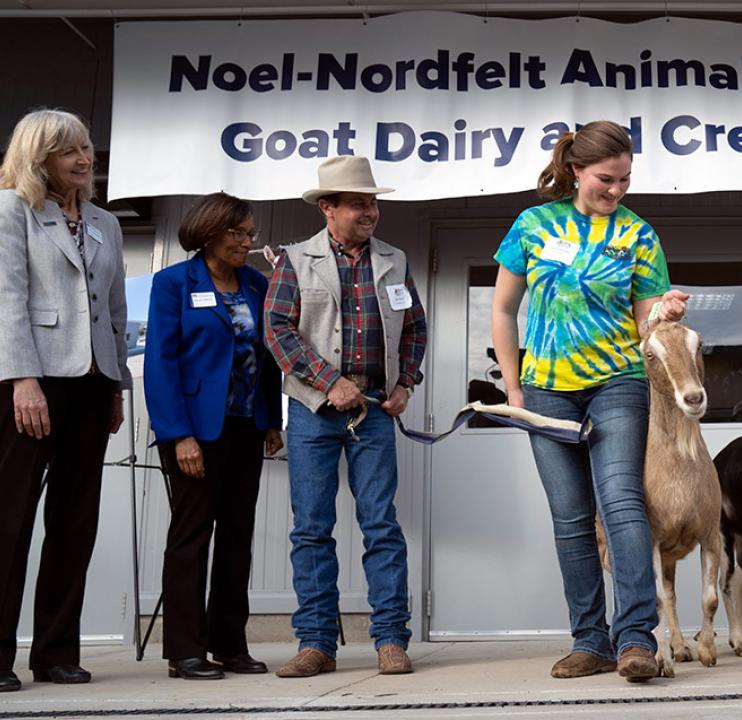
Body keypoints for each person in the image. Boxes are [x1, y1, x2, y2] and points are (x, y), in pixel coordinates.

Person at [491, 120, 689, 683]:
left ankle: (635, 640)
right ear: (577, 171)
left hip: (617, 381)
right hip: (547, 387)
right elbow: (504, 310)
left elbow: (644, 322)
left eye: (626, 180)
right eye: (607, 179)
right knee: (571, 517)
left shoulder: (639, 235)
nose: (617, 190)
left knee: (622, 502)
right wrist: (513, 387)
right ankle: (590, 640)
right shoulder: (533, 225)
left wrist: (664, 314)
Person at [265, 156, 427, 676]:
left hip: (375, 410)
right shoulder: (295, 259)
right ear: (328, 208)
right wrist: (327, 380)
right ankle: (316, 643)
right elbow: (278, 331)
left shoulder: (394, 260)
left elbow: (416, 329)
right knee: (311, 527)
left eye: (373, 202)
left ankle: (390, 640)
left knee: (381, 523)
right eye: (359, 203)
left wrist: (406, 383)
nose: (370, 211)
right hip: (313, 410)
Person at [0, 109, 129, 692]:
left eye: (87, 148)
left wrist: (117, 383)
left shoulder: (105, 221)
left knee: (75, 524)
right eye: (70, 150)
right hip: (32, 383)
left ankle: (55, 653)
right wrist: (22, 378)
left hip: (92, 381)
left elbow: (117, 311)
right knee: (10, 520)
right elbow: (7, 300)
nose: (85, 158)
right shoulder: (11, 211)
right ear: (39, 157)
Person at [144, 193, 284, 679]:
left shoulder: (257, 284)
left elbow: (266, 356)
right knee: (191, 535)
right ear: (210, 232)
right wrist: (178, 435)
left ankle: (230, 643)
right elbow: (160, 365)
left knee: (238, 537)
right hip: (193, 433)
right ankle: (184, 650)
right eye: (239, 233)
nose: (248, 242)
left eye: (250, 233)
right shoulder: (172, 285)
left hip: (245, 426)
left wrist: (272, 421)